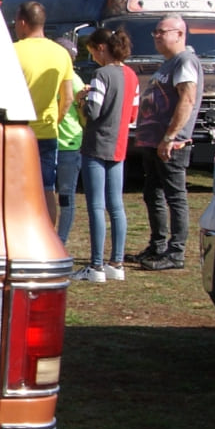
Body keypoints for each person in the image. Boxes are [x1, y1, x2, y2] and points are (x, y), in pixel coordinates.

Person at [131, 16, 203, 270]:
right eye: (155, 32)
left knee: (175, 196)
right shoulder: (169, 63)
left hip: (171, 144)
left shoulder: (184, 61)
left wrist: (171, 136)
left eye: (161, 32)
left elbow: (187, 100)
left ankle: (176, 253)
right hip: (155, 142)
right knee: (154, 194)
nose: (156, 36)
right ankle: (158, 246)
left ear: (179, 34)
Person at [72, 27, 139, 282]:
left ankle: (96, 265)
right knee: (116, 206)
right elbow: (133, 114)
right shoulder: (131, 75)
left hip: (97, 145)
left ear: (101, 48)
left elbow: (94, 111)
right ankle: (117, 262)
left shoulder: (101, 74)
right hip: (119, 145)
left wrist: (82, 100)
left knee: (96, 206)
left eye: (92, 52)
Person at [12, 2, 77, 227]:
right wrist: (56, 120)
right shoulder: (61, 53)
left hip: (17, 131)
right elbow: (67, 97)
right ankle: (49, 237)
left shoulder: (13, 51)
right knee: (47, 189)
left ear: (22, 22)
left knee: (16, 191)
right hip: (47, 132)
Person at [53, 35, 86, 247]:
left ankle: (61, 240)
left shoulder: (74, 81)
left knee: (65, 197)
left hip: (69, 146)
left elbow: (83, 117)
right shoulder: (54, 79)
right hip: (51, 143)